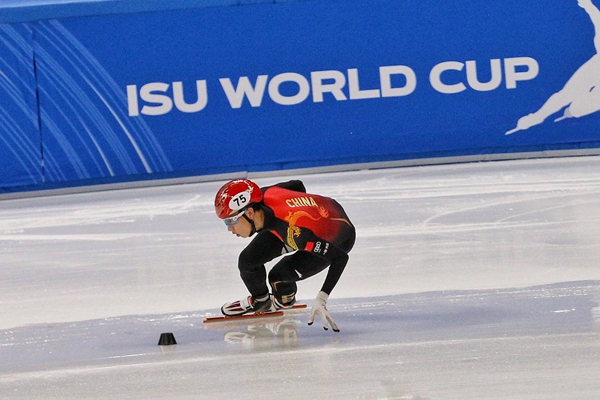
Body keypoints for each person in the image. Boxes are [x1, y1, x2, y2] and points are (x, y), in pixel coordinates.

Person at [214, 178, 355, 332]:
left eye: (230, 221)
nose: (229, 229)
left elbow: (340, 257)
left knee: (278, 278)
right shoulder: (262, 195)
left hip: (339, 237)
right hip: (299, 219)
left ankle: (285, 300)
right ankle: (261, 300)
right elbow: (297, 185)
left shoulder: (294, 234)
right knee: (247, 261)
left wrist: (322, 297)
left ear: (249, 212)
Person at [506, 0, 600, 134]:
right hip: (596, 66)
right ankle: (538, 116)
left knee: (577, 109)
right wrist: (587, 5)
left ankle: (573, 111)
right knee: (566, 94)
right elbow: (597, 18)